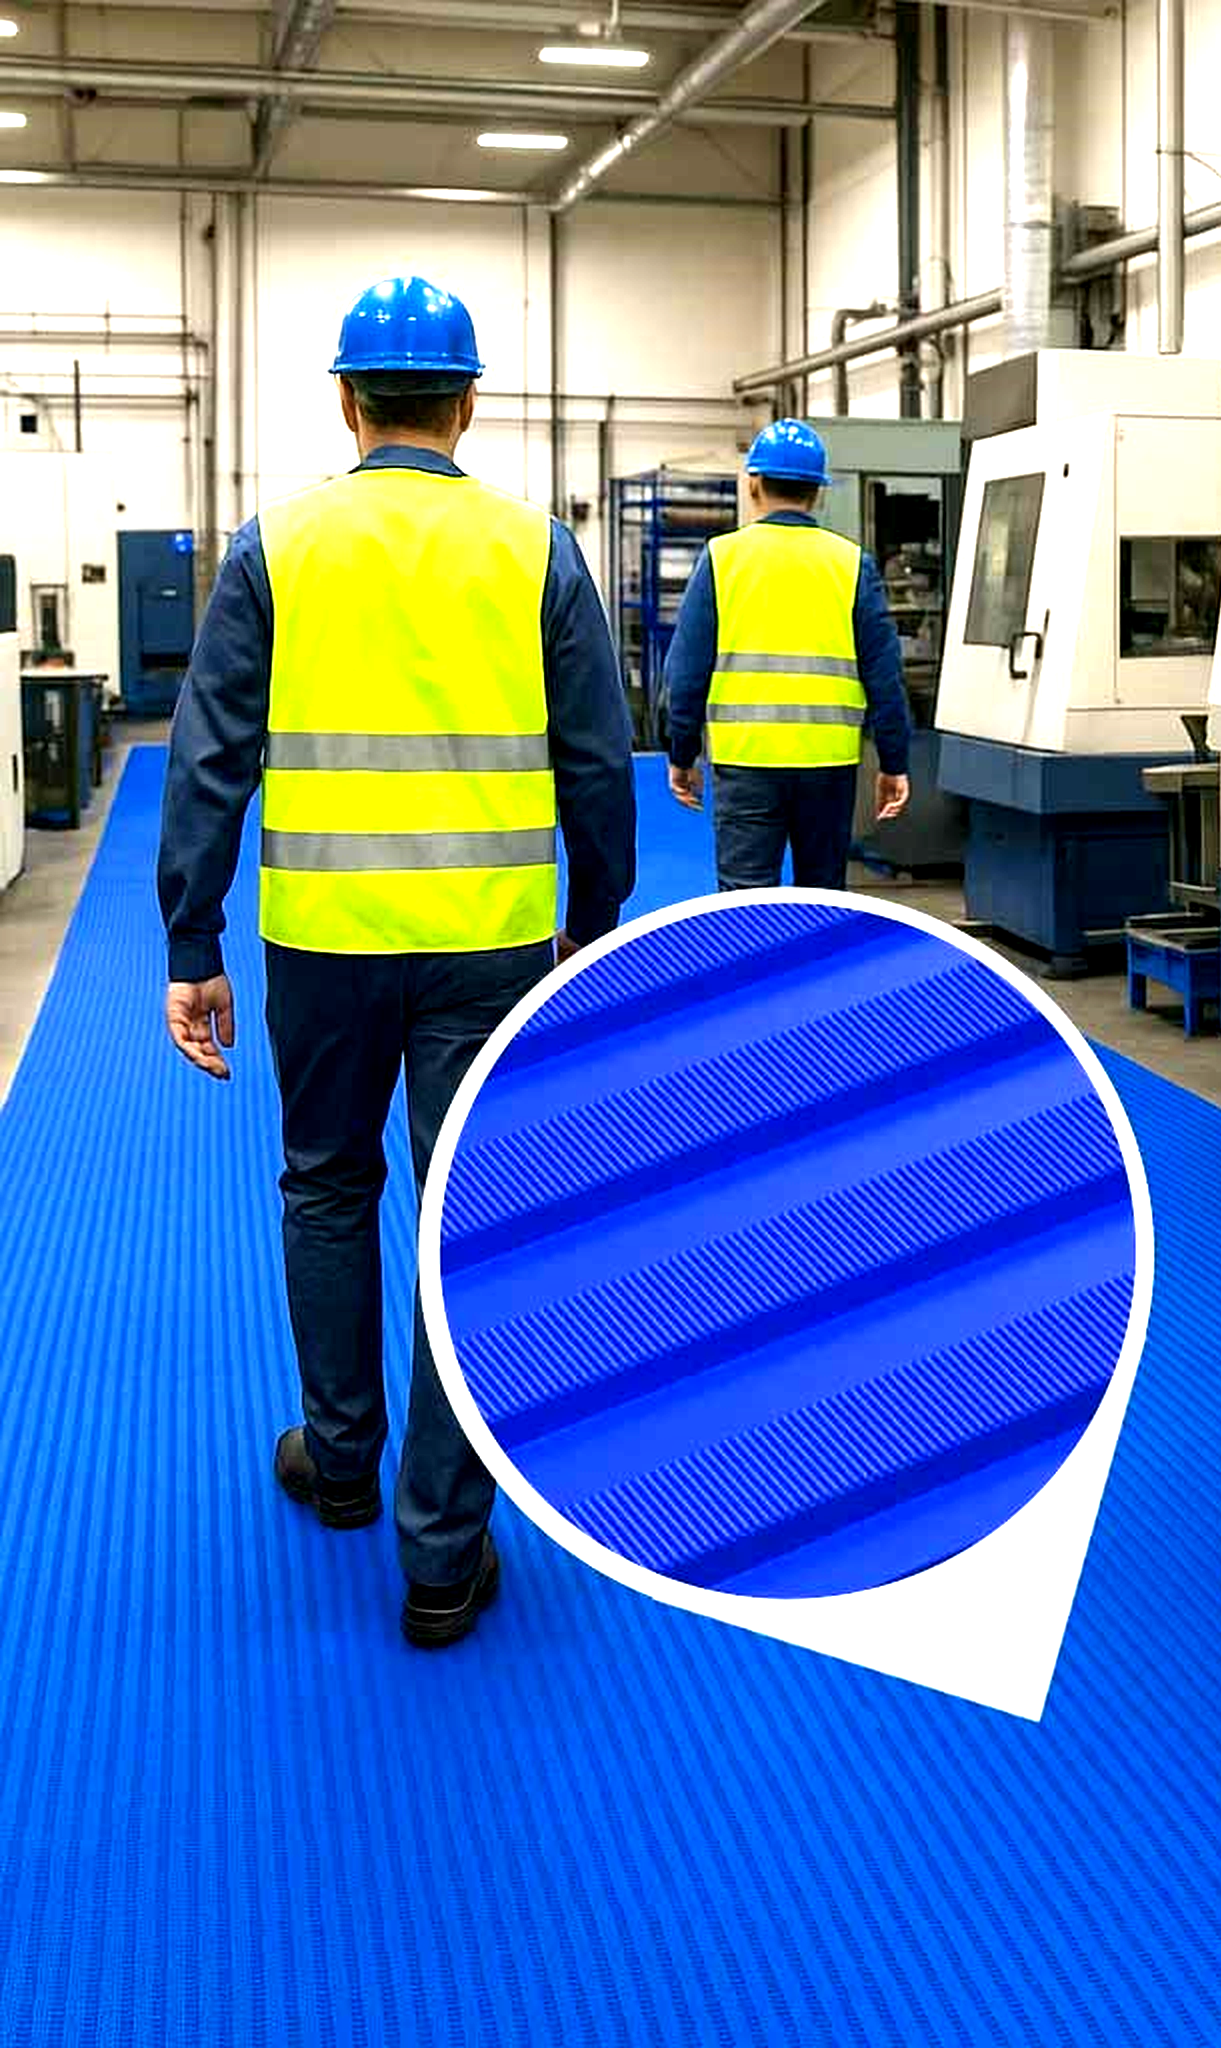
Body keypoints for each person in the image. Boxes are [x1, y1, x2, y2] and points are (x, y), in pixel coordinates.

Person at [156, 274, 636, 1649]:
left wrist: (193, 936)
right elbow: (597, 765)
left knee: (325, 1187)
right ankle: (444, 1547)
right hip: (490, 946)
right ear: (469, 403)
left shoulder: (276, 544)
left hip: (322, 937)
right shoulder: (537, 550)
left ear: (349, 401)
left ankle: (344, 1461)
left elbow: (207, 758)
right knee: (470, 1220)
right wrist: (592, 930)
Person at [663, 419, 913, 889]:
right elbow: (885, 677)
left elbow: (686, 676)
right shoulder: (850, 564)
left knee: (744, 903)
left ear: (753, 483)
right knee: (823, 902)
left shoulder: (722, 558)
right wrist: (894, 761)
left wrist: (682, 752)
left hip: (746, 763)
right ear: (818, 492)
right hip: (829, 769)